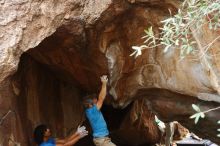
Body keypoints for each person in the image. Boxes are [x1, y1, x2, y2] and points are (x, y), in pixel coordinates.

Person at [83, 75, 116, 146]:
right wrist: (104, 83)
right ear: (90, 104)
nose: (96, 99)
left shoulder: (89, 111)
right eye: (94, 99)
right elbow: (101, 98)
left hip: (101, 139)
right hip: (102, 140)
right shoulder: (92, 111)